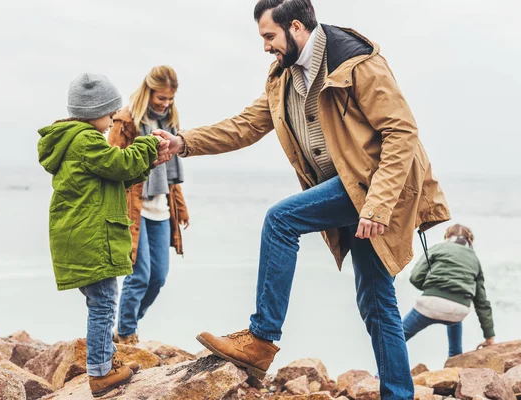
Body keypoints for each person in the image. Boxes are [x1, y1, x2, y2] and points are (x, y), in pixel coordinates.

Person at [154, 0, 450, 398]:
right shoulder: (282, 77)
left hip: (376, 184)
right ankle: (398, 394)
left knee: (282, 220)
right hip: (350, 188)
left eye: (269, 36)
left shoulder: (358, 63)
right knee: (377, 302)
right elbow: (244, 126)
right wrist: (182, 142)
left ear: (296, 27)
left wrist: (378, 205)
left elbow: (401, 132)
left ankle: (261, 339)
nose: (264, 47)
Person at [37, 73, 169, 397]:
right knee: (104, 302)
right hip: (90, 239)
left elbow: (112, 178)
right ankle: (99, 372)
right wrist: (148, 144)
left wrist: (147, 162)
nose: (113, 120)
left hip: (81, 237)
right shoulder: (86, 141)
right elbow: (119, 164)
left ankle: (107, 361)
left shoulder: (74, 143)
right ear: (92, 112)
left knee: (101, 301)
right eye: (109, 114)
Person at [108, 66, 190, 345]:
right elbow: (113, 165)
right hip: (135, 208)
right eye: (160, 99)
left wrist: (181, 207)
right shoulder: (126, 122)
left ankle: (124, 325)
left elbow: (171, 176)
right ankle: (127, 332)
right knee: (139, 276)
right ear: (148, 92)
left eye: (170, 99)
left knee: (158, 278)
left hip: (161, 209)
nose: (165, 104)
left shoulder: (170, 123)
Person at [403, 224, 496, 358]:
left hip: (430, 305)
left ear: (447, 236)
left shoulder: (437, 248)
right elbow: (481, 301)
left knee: (397, 337)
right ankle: (455, 361)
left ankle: (379, 376)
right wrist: (489, 336)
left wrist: (433, 288)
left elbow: (415, 277)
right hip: (458, 311)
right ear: (469, 240)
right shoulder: (474, 259)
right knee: (454, 320)